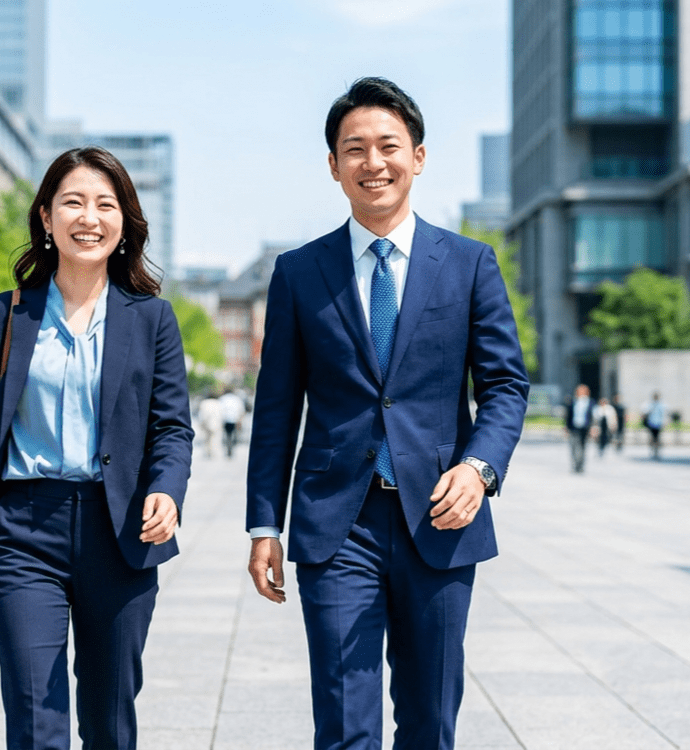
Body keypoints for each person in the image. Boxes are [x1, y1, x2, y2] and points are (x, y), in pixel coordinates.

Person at [245, 78, 529, 750]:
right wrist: (264, 523)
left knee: (430, 721)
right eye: (355, 149)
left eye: (388, 146)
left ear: (419, 157)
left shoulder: (468, 264)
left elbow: (505, 385)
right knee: (344, 722)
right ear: (334, 165)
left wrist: (479, 467)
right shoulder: (298, 272)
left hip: (439, 514)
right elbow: (277, 409)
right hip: (335, 525)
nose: (373, 162)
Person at [0, 147, 194, 750]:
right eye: (73, 202)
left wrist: (166, 489)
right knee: (34, 714)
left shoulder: (151, 319)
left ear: (125, 223)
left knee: (109, 716)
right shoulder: (7, 315)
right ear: (46, 218)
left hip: (120, 531)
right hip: (24, 533)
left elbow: (173, 428)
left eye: (105, 204)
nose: (90, 217)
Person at [565, 384, 595, 472]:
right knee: (573, 447)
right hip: (573, 427)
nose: (580, 393)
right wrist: (566, 428)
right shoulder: (573, 402)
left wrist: (593, 428)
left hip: (585, 428)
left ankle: (580, 465)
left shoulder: (591, 403)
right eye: (579, 391)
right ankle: (575, 463)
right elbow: (568, 416)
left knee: (582, 447)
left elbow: (593, 417)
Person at [218, 388, 245, 458]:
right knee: (234, 435)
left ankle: (229, 448)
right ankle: (231, 448)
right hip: (235, 419)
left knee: (227, 435)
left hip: (225, 419)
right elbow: (241, 410)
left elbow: (219, 410)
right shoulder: (237, 399)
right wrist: (240, 420)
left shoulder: (222, 398)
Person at [197, 390, 223, 459]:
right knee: (214, 438)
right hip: (216, 423)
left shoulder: (204, 403)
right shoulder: (218, 403)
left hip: (205, 423)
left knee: (206, 439)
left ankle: (207, 452)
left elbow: (201, 414)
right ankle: (213, 452)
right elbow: (221, 414)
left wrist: (200, 423)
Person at [642, 391, 666, 460]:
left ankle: (657, 451)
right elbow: (645, 411)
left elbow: (664, 414)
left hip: (658, 423)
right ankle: (652, 449)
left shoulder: (661, 404)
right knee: (652, 437)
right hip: (651, 423)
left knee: (658, 438)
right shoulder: (650, 404)